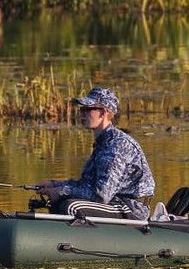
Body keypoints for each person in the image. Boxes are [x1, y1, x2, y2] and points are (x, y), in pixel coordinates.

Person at [32, 87, 155, 220]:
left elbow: (102, 195)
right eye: (82, 109)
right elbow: (86, 185)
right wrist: (54, 185)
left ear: (103, 112)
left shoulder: (117, 145)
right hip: (114, 202)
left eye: (87, 109)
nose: (82, 113)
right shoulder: (102, 143)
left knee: (71, 206)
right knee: (59, 202)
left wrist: (63, 192)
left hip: (131, 207)